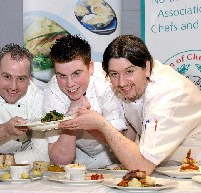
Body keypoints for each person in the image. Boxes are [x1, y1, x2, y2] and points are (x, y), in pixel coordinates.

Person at [59, 35, 201, 175]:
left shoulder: (167, 96)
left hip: (195, 170)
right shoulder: (135, 84)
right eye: (114, 74)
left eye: (129, 71)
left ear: (147, 67)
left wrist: (101, 124)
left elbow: (142, 167)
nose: (121, 83)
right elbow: (126, 141)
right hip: (168, 170)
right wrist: (89, 124)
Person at [43, 34, 127, 169]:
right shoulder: (52, 92)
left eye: (76, 73)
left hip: (114, 160)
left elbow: (119, 139)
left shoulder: (107, 81)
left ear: (91, 67)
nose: (70, 84)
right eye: (62, 76)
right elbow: (59, 160)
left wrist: (94, 122)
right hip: (78, 164)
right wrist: (72, 117)